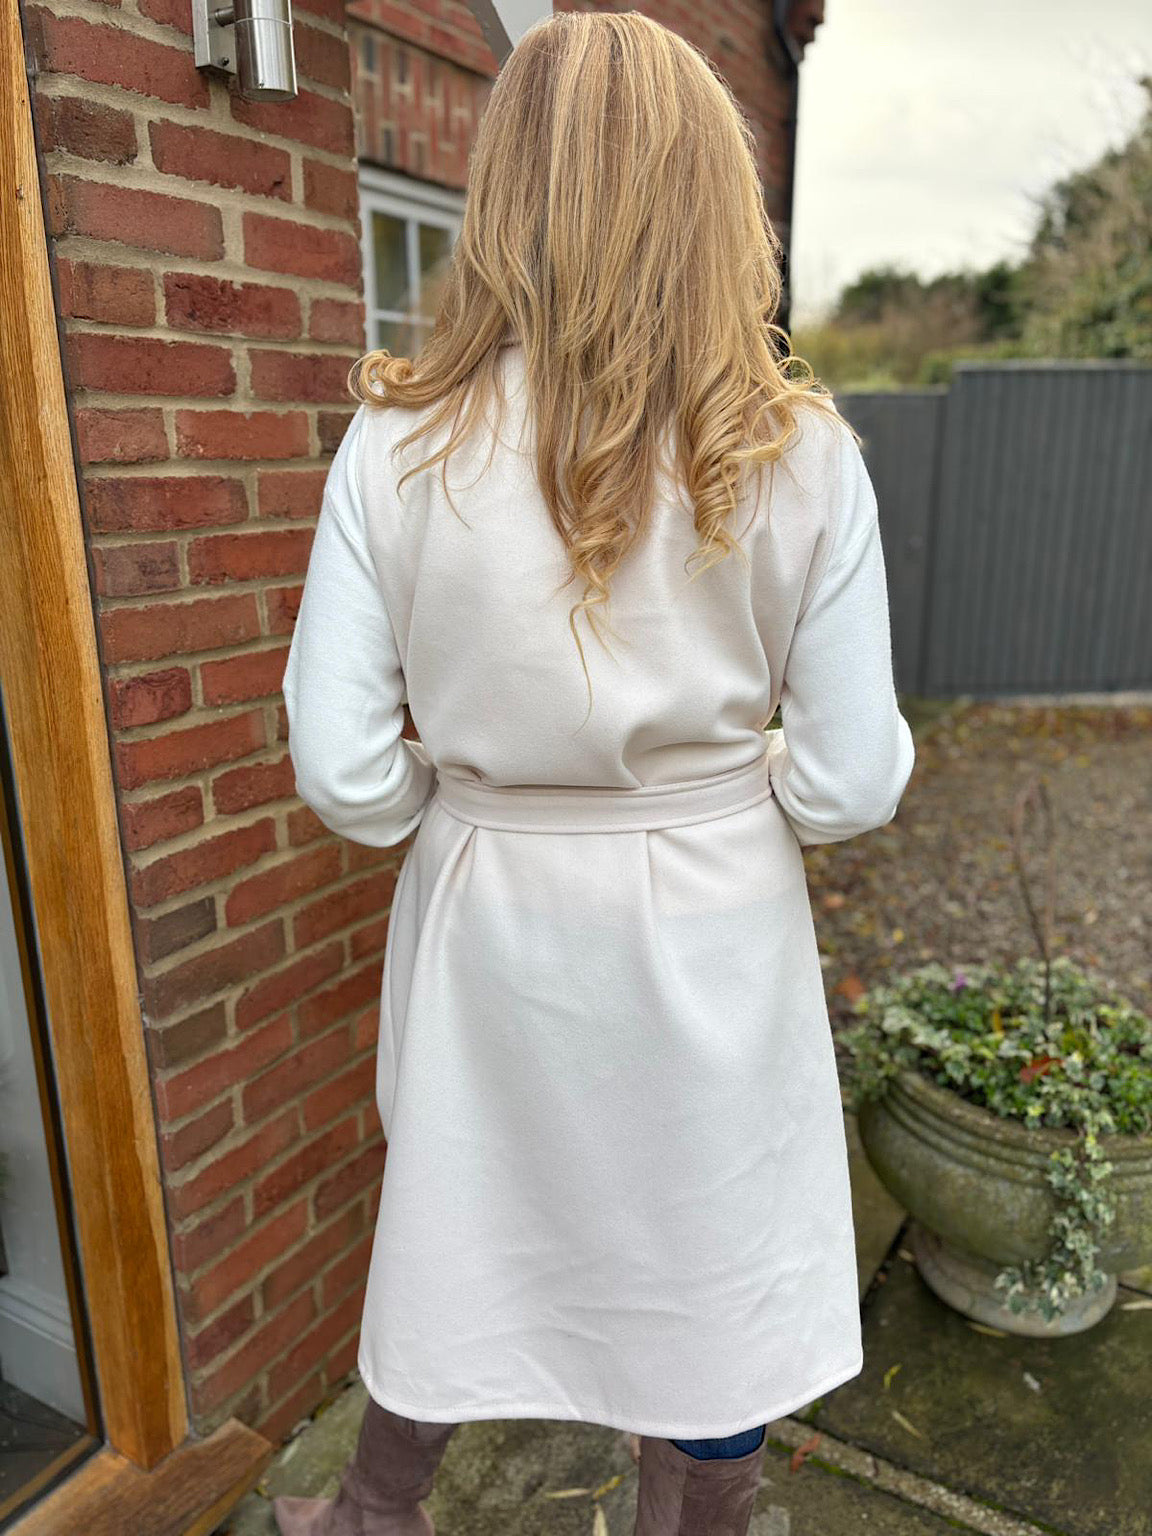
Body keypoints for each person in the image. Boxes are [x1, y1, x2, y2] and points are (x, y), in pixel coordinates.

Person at [273, 10, 915, 1535]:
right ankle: (691, 1516)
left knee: (466, 1219)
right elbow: (849, 785)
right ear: (716, 197)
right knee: (710, 1249)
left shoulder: (397, 445)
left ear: (506, 190)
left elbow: (343, 773)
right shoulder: (798, 453)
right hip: (709, 915)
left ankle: (371, 1513)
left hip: (489, 915)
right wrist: (729, 779)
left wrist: (470, 801)